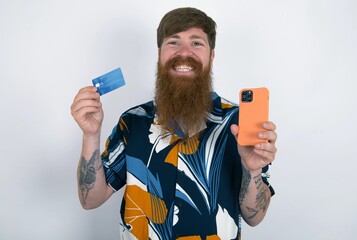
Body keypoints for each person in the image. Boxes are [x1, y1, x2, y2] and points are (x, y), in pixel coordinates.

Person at [71, 7, 277, 240]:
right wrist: (90, 135)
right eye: (173, 42)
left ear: (211, 56)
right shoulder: (132, 122)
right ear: (159, 54)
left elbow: (255, 217)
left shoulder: (239, 123)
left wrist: (252, 170)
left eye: (197, 43)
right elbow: (91, 200)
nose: (184, 52)